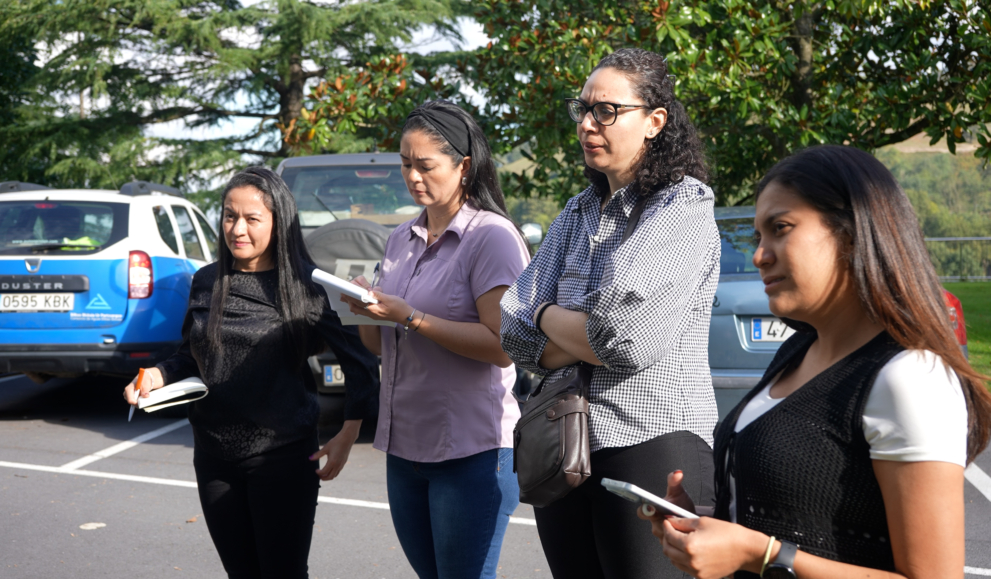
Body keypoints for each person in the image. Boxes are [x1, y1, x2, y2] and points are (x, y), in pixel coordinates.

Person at [643, 145, 991, 579]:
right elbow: (796, 512)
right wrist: (707, 524)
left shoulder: (909, 377)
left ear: (851, 234)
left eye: (780, 228)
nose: (760, 255)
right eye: (759, 237)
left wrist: (760, 555)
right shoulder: (797, 351)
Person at [498, 47, 721, 578]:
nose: (586, 124)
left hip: (652, 441)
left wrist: (544, 311)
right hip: (565, 445)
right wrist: (570, 325)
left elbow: (624, 340)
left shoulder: (681, 205)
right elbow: (510, 327)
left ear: (654, 122)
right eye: (582, 109)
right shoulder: (577, 210)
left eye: (606, 111)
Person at [123, 166, 379, 579]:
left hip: (283, 458)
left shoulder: (308, 287)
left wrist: (348, 434)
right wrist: (158, 374)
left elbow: (361, 362)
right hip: (213, 457)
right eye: (229, 216)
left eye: (252, 218)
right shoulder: (206, 281)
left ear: (279, 222)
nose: (237, 229)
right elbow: (191, 354)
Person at [341, 100, 530, 579]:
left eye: (425, 165)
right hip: (404, 447)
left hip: (472, 451)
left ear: (463, 166)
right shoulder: (399, 238)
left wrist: (411, 317)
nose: (412, 176)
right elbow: (380, 345)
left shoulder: (492, 237)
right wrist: (366, 309)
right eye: (405, 163)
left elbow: (504, 345)